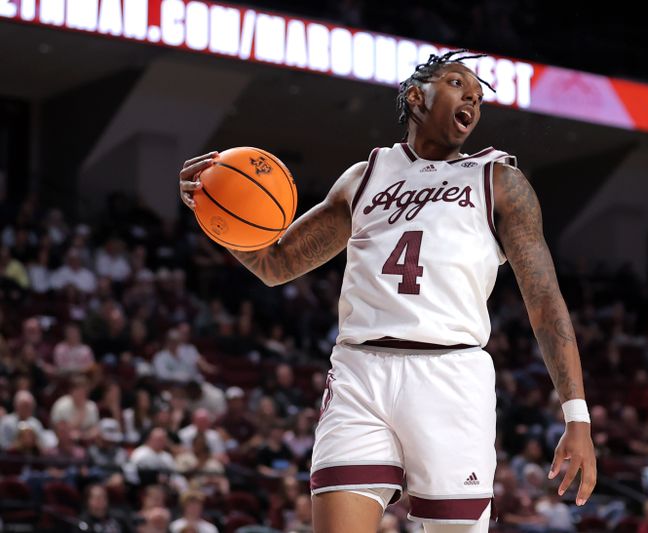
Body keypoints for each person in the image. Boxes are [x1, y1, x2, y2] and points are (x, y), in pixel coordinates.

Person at [178, 49, 595, 532]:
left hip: (450, 375)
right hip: (360, 372)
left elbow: (544, 302)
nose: (473, 101)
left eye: (479, 97)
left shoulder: (500, 181)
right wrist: (219, 216)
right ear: (417, 96)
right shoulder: (363, 177)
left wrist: (577, 416)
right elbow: (276, 263)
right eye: (459, 84)